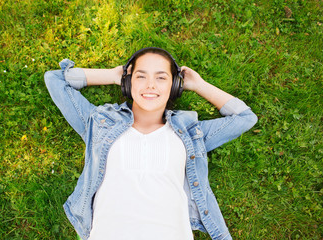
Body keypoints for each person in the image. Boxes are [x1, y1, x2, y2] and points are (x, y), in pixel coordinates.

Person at [44, 47, 258, 240]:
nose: (150, 85)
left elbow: (244, 118)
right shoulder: (99, 123)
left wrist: (198, 85)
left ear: (174, 85)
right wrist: (111, 75)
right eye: (141, 76)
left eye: (161, 78)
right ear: (128, 82)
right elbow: (55, 79)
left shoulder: (191, 134)